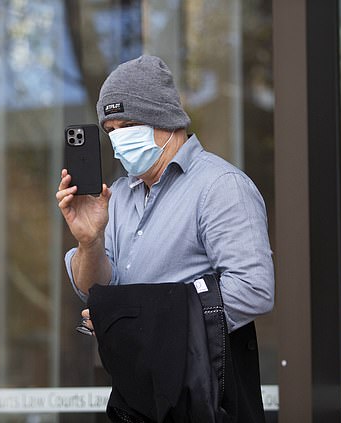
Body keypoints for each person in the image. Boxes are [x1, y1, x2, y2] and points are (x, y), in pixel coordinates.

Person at [56, 55, 275, 422]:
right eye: (110, 130)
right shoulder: (117, 197)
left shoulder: (220, 187)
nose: (118, 139)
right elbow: (92, 290)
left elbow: (254, 289)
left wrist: (131, 321)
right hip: (136, 400)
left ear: (165, 118)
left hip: (205, 399)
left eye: (127, 125)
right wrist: (89, 240)